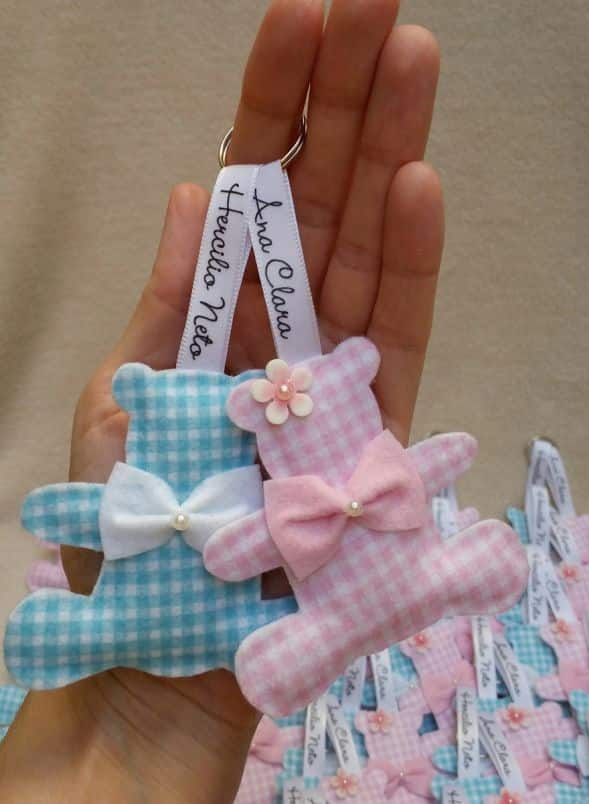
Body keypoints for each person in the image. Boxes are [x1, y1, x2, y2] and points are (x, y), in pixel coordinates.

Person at [0, 0, 443, 800]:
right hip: (184, 628)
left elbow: (251, 544)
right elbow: (73, 515)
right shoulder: (191, 439)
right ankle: (92, 633)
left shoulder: (280, 450)